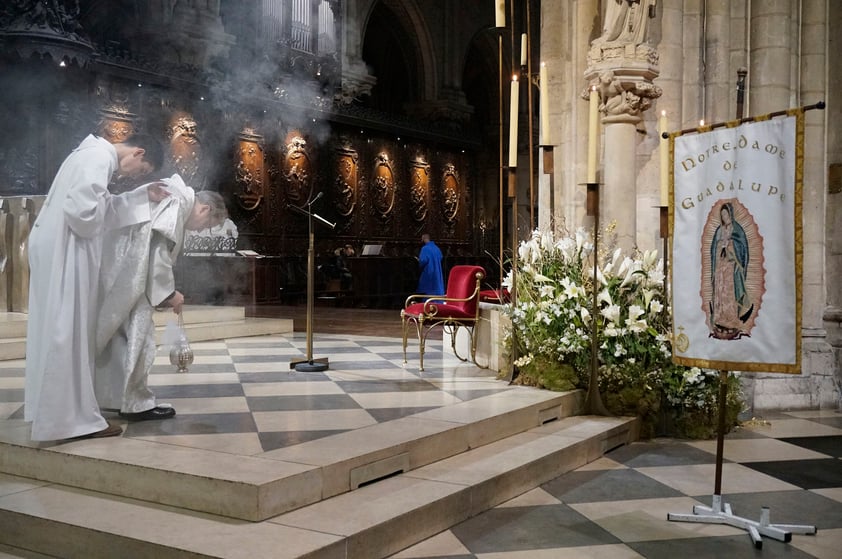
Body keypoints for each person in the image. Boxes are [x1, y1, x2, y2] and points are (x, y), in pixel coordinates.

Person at [24, 133, 167, 441]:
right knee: (69, 331)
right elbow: (84, 216)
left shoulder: (88, 154)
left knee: (57, 329)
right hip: (68, 251)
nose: (131, 175)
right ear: (138, 152)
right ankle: (68, 420)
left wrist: (141, 195)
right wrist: (110, 204)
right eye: (140, 170)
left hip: (58, 247)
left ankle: (49, 410)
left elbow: (98, 207)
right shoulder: (99, 158)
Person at [95, 175, 228, 421]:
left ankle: (115, 397)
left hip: (118, 267)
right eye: (206, 225)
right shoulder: (177, 202)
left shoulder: (174, 195)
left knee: (119, 338)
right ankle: (135, 403)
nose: (199, 230)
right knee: (139, 336)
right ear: (205, 208)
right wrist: (169, 294)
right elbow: (158, 250)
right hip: (133, 274)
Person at [709, 201, 752, 340]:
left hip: (731, 268)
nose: (724, 217)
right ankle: (719, 322)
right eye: (722, 215)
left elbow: (742, 248)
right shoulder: (719, 230)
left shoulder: (737, 229)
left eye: (726, 214)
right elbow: (713, 249)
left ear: (730, 214)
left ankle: (731, 322)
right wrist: (720, 246)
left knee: (729, 295)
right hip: (720, 267)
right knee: (720, 294)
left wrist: (730, 246)